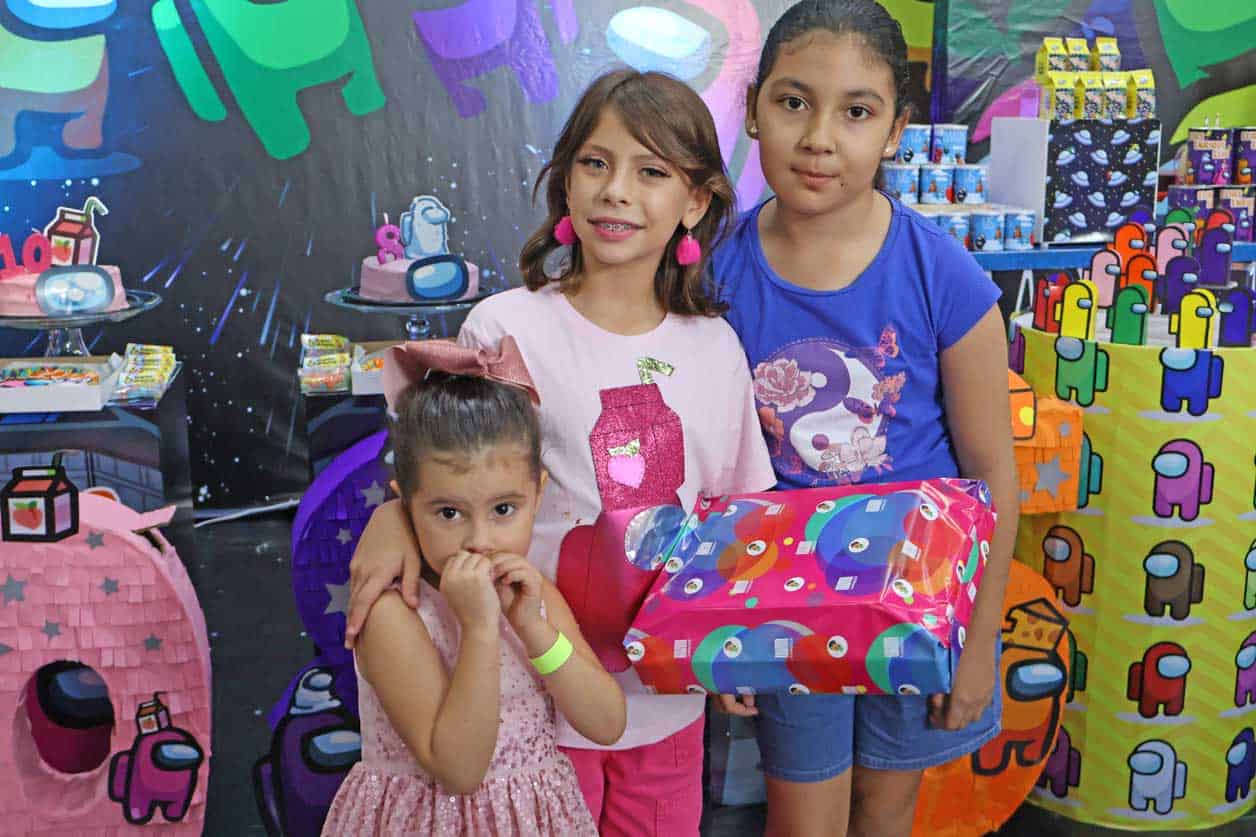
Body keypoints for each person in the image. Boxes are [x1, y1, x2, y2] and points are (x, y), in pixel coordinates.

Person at [342, 70, 776, 835]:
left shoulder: (716, 348)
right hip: (528, 712)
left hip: (667, 704)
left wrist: (743, 640)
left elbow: (740, 517)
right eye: (595, 163)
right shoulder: (504, 328)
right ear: (566, 180)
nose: (617, 191)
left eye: (651, 172)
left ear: (696, 202)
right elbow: (441, 468)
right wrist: (392, 519)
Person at [711, 2, 1019, 835]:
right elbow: (708, 468)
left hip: (919, 601)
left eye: (856, 111)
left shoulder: (944, 276)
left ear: (895, 132)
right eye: (794, 102)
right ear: (752, 108)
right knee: (802, 817)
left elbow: (993, 472)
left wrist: (979, 641)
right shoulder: (715, 275)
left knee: (884, 813)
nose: (819, 138)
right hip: (784, 604)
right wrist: (721, 624)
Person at [321, 338, 625, 836]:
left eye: (504, 509)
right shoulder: (393, 612)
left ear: (537, 495)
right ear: (405, 505)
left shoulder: (532, 596)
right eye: (448, 513)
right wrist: (480, 629)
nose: (480, 539)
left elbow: (607, 723)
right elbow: (459, 771)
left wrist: (535, 631)